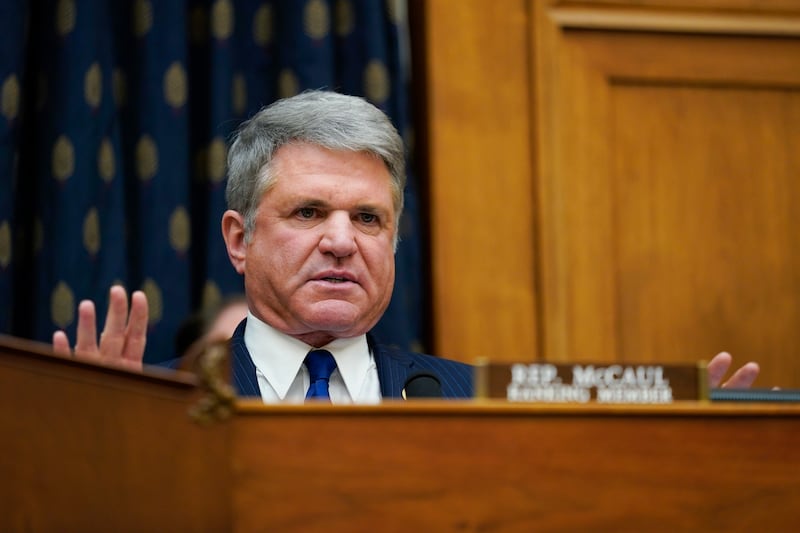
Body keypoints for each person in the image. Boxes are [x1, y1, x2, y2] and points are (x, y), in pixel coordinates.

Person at [52, 90, 759, 402]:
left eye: (368, 218)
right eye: (308, 211)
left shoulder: (472, 402)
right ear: (239, 239)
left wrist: (681, 457)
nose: (341, 241)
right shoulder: (153, 405)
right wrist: (91, 444)